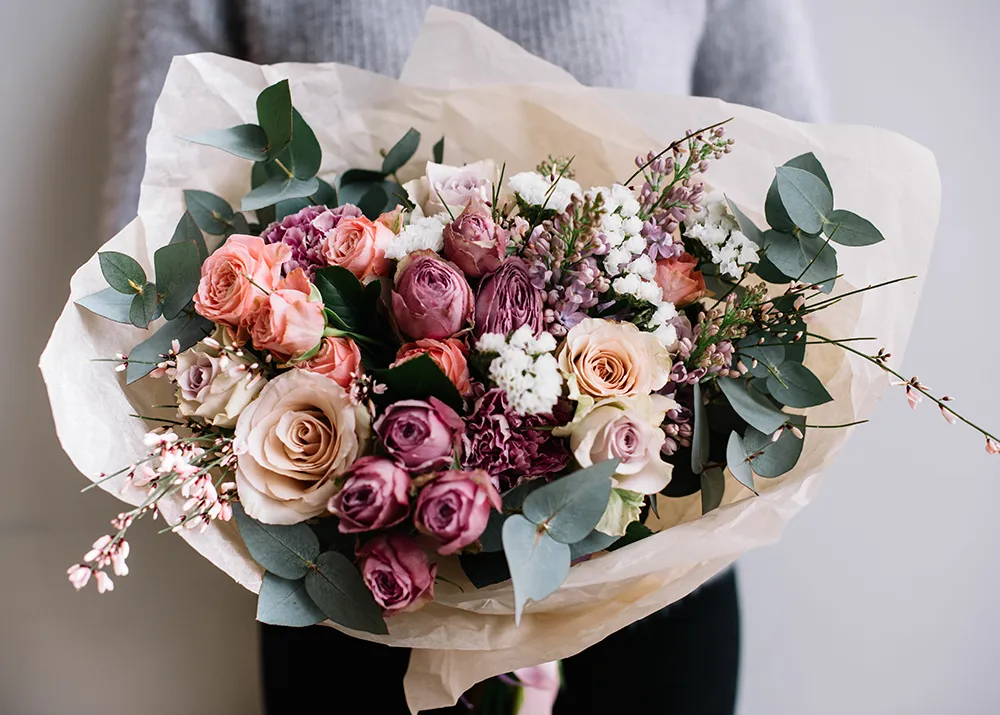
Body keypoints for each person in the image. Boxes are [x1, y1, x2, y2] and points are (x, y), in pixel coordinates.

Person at [105, 2, 824, 713]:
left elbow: (788, 206)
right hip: (360, 589)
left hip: (650, 584)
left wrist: (578, 542)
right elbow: (148, 224)